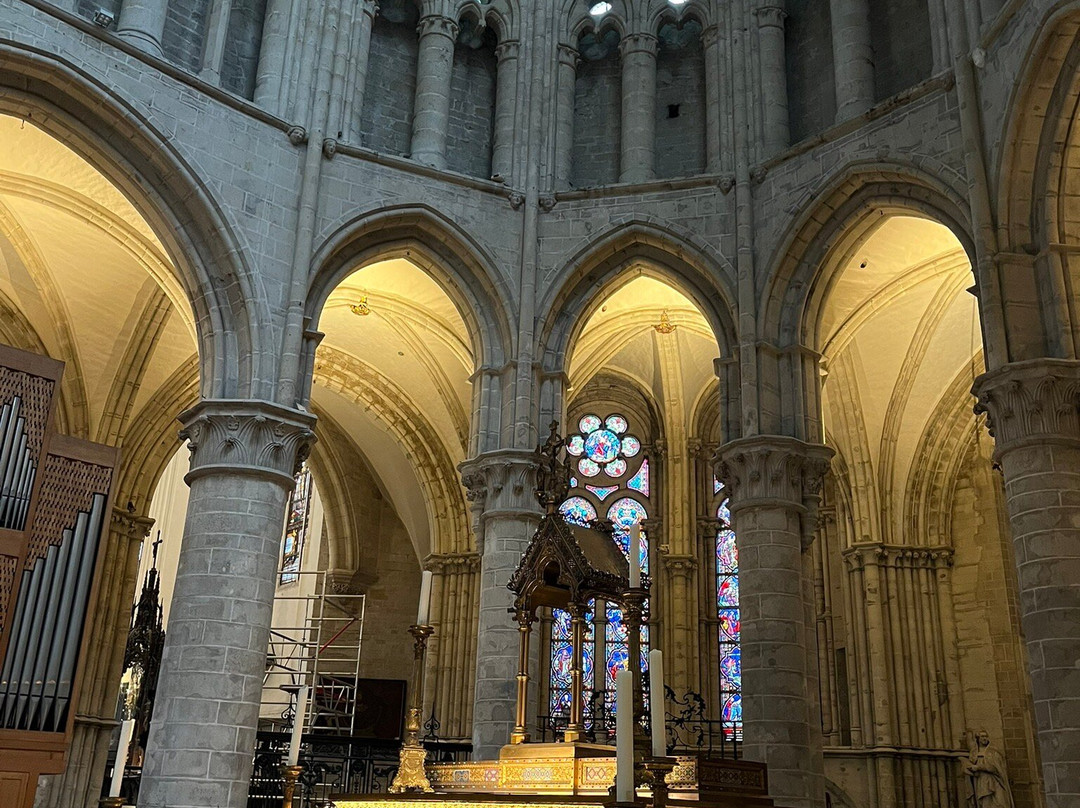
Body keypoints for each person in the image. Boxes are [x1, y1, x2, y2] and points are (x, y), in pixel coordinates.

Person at [964, 730, 1015, 808]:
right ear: (978, 738)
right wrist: (968, 767)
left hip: (995, 780)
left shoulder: (993, 751)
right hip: (981, 781)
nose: (984, 738)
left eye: (986, 736)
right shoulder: (974, 752)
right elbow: (970, 765)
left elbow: (996, 768)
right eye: (982, 736)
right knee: (985, 803)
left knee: (1000, 802)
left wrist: (979, 767)